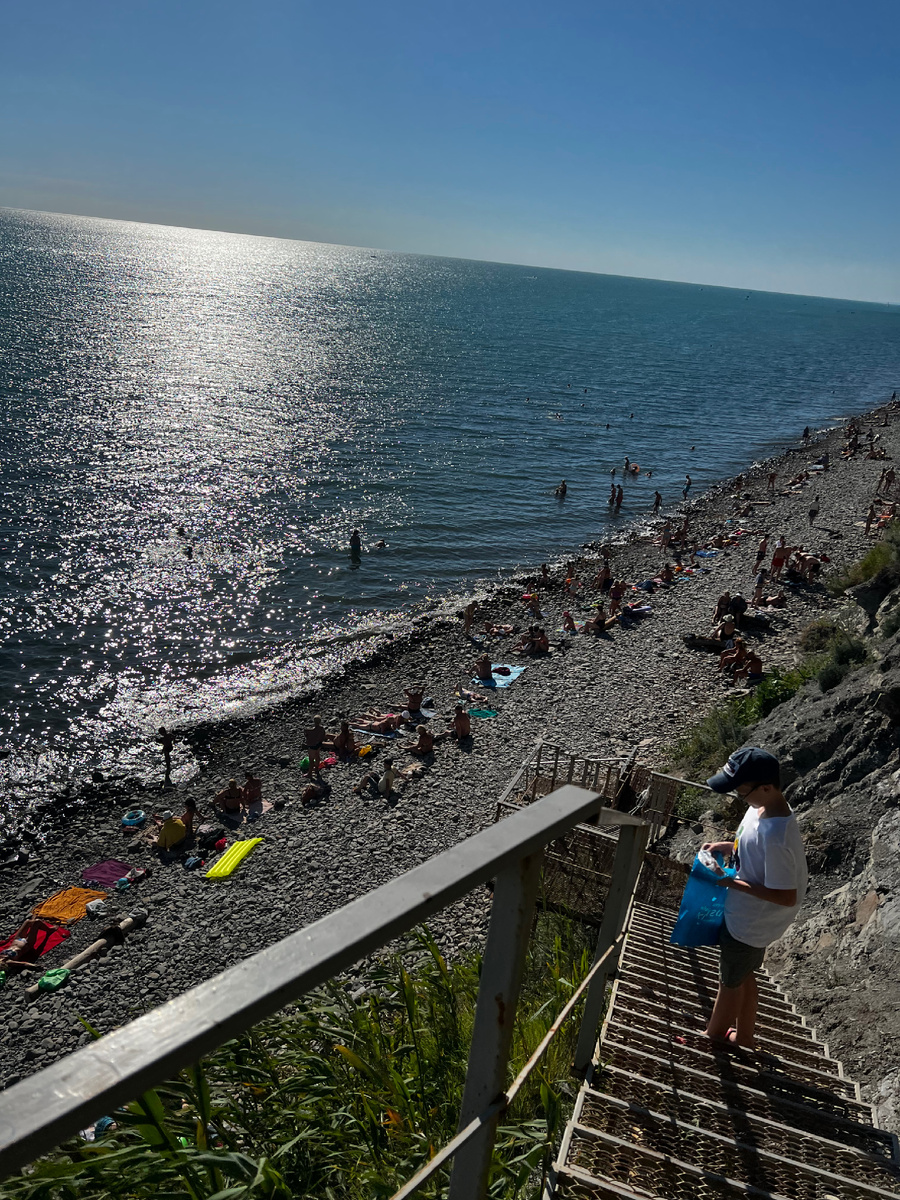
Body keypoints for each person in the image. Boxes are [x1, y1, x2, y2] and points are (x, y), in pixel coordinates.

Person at [702, 748, 807, 1047]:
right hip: (746, 916)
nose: (737, 795)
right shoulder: (760, 807)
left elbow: (787, 896)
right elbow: (751, 845)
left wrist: (730, 883)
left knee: (730, 982)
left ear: (765, 787)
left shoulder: (776, 835)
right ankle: (744, 1038)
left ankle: (712, 1040)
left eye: (741, 791)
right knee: (744, 975)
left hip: (751, 924)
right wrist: (727, 846)